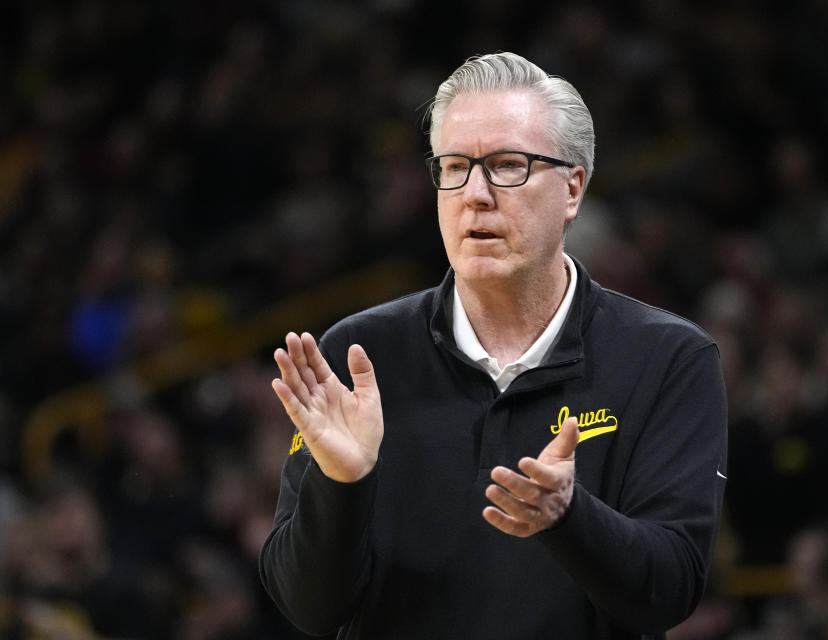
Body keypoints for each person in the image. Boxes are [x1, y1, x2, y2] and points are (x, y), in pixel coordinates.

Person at [259, 52, 727, 640]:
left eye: (507, 165)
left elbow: (672, 589)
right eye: (454, 167)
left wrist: (568, 517)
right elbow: (308, 609)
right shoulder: (358, 352)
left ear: (573, 189)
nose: (475, 193)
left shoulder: (668, 359)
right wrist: (341, 485)